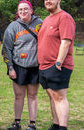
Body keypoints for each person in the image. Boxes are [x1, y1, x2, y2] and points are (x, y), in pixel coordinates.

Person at [2, 0, 42, 130]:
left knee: (32, 95)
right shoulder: (13, 26)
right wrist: (10, 68)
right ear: (17, 12)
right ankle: (17, 122)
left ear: (31, 10)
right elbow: (6, 49)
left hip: (35, 66)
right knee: (19, 96)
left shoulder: (40, 24)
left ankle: (32, 124)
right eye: (20, 10)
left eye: (26, 9)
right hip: (18, 66)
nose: (23, 12)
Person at [38, 0, 76, 130]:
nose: (48, 1)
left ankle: (63, 127)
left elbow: (65, 42)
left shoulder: (65, 17)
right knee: (52, 97)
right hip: (44, 66)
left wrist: (58, 62)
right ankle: (56, 125)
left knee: (59, 97)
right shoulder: (47, 19)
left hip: (58, 65)